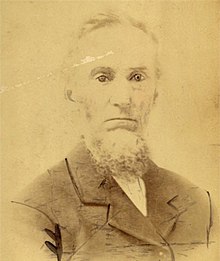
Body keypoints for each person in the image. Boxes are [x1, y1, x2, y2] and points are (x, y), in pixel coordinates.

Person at [12, 12, 216, 261]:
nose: (123, 99)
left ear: (155, 93)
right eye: (103, 78)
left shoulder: (197, 203)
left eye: (137, 77)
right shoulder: (33, 212)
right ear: (73, 91)